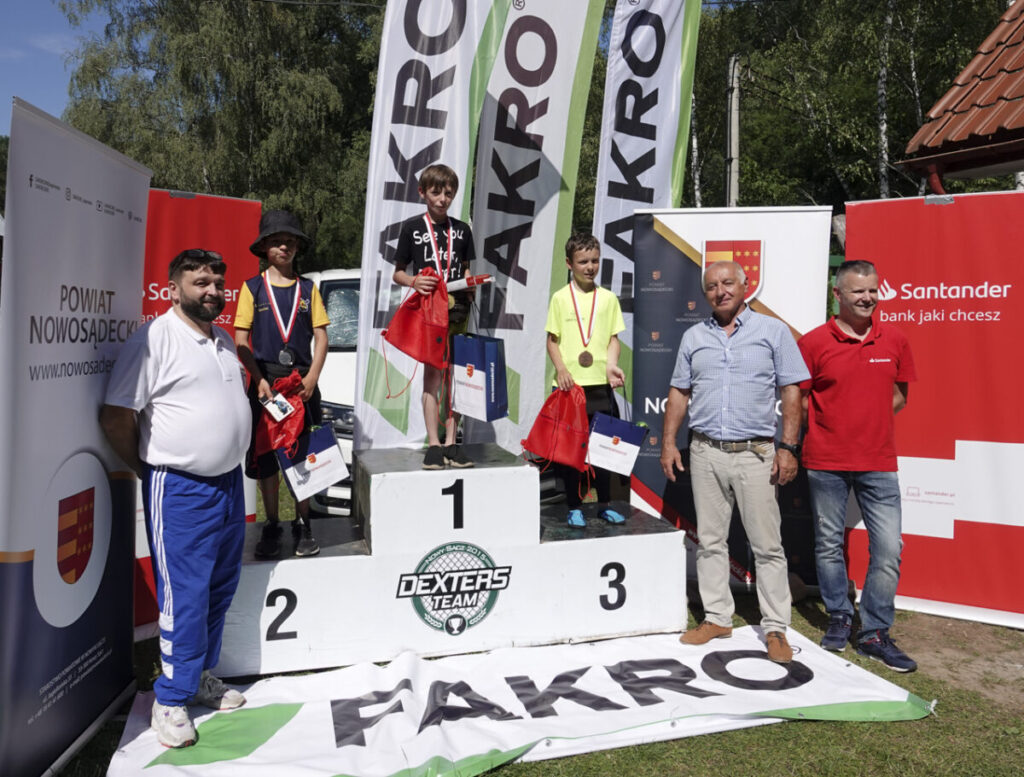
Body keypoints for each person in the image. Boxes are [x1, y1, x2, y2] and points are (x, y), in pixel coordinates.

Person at [100, 249, 251, 748]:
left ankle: (200, 676)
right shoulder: (154, 339)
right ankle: (170, 699)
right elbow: (116, 416)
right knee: (184, 596)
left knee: (219, 588)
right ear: (173, 289)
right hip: (181, 487)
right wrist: (149, 469)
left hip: (229, 483)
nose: (212, 291)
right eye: (200, 282)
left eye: (218, 283)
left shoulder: (222, 339)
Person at [660, 260, 807, 664]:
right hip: (705, 451)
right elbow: (679, 392)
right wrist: (669, 442)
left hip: (756, 454)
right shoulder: (694, 337)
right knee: (710, 541)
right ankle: (717, 618)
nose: (720, 291)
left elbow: (791, 391)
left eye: (728, 283)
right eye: (712, 286)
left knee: (767, 546)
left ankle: (775, 627)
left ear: (745, 285)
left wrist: (788, 447)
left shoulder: (773, 332)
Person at [798, 260, 917, 671]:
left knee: (888, 548)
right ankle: (840, 615)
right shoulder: (814, 343)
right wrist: (833, 426)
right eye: (858, 291)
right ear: (838, 295)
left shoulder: (895, 339)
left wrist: (868, 424)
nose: (867, 298)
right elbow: (798, 399)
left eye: (872, 290)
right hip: (826, 461)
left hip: (878, 461)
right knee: (828, 543)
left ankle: (874, 632)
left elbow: (899, 396)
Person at [235, 210, 329, 559]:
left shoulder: (308, 289)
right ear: (264, 247)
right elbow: (241, 341)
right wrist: (259, 380)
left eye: (290, 241)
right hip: (266, 387)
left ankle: (303, 523)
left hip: (302, 385)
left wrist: (313, 377)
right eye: (276, 241)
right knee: (266, 458)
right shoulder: (252, 288)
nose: (284, 247)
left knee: (303, 455)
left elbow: (321, 337)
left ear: (297, 247)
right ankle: (273, 523)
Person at [392, 164, 476, 469]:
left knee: (457, 379)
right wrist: (414, 281)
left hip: (458, 311)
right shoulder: (412, 228)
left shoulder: (462, 230)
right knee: (433, 376)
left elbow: (465, 268)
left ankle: (452, 442)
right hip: (430, 311)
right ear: (423, 193)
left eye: (448, 193)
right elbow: (398, 273)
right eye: (436, 192)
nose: (443, 199)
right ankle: (434, 444)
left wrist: (471, 283)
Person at [545, 233, 627, 527]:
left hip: (600, 386)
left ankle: (604, 504)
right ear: (569, 264)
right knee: (571, 451)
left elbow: (613, 339)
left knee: (603, 450)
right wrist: (561, 370)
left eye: (594, 261)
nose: (590, 267)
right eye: (583, 262)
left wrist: (611, 366)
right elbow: (552, 341)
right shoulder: (560, 297)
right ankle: (574, 506)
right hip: (570, 388)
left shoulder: (608, 299)